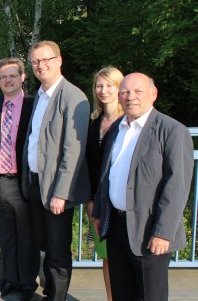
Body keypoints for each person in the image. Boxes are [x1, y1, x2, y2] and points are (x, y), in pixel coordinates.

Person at [92, 73, 193, 301]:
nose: (131, 97)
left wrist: (162, 232)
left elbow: (176, 187)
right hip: (117, 228)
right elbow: (106, 174)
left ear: (153, 94)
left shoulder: (172, 131)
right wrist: (99, 212)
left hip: (149, 232)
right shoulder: (117, 128)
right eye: (125, 92)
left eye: (138, 91)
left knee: (151, 296)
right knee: (121, 294)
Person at [22, 41, 90, 301]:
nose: (41, 65)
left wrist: (62, 193)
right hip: (36, 183)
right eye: (36, 61)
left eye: (46, 59)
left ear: (59, 60)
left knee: (58, 249)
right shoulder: (40, 95)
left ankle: (57, 297)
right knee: (44, 244)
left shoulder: (73, 97)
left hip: (56, 188)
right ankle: (50, 290)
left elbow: (73, 152)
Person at [0, 58, 39, 301]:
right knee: (7, 235)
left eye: (12, 76)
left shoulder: (34, 105)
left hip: (23, 182)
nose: (7, 80)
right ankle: (11, 280)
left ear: (22, 77)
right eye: (3, 77)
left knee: (27, 236)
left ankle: (28, 284)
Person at [85, 67, 124, 301]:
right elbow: (89, 166)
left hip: (120, 203)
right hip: (98, 204)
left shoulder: (127, 123)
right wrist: (90, 201)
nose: (104, 91)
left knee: (122, 258)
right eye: (99, 86)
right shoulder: (94, 122)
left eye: (110, 85)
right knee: (107, 256)